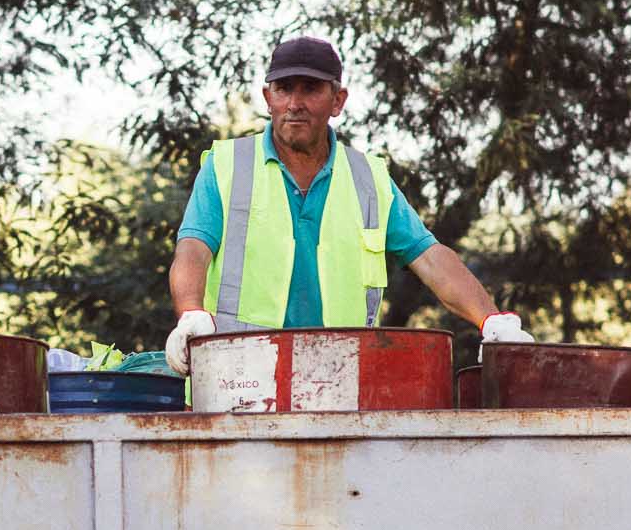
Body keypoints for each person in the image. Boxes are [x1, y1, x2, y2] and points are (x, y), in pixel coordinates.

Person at [164, 35, 532, 372]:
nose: (294, 104)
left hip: (336, 381)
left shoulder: (368, 179)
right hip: (237, 380)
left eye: (310, 89)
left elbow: (431, 258)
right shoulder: (227, 165)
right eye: (283, 89)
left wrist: (491, 320)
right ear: (267, 98)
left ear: (338, 100)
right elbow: (193, 249)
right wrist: (191, 313)